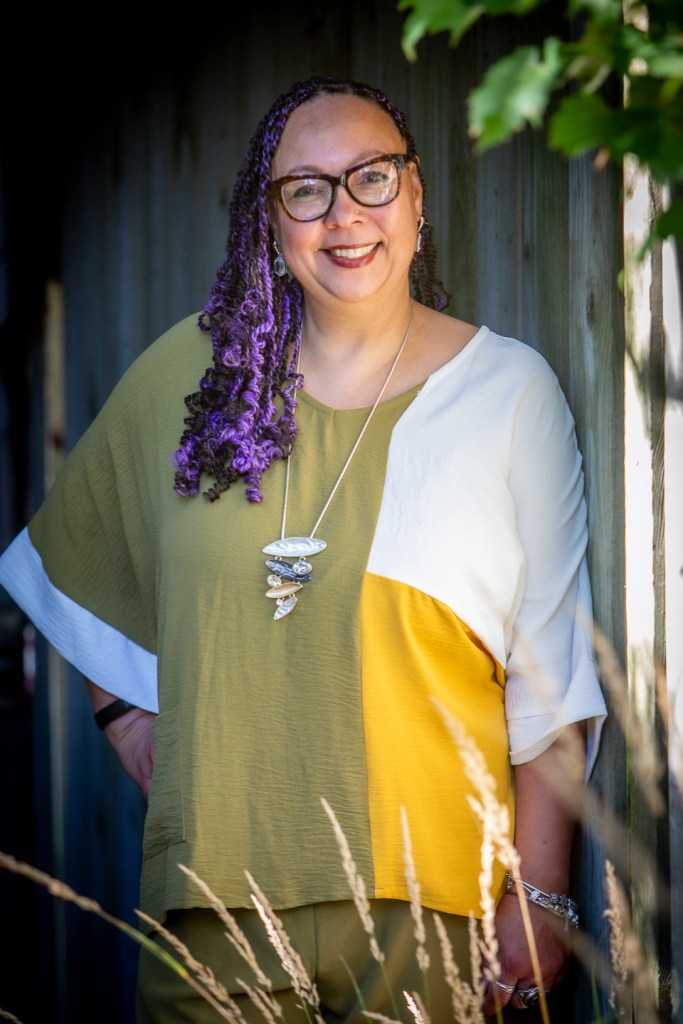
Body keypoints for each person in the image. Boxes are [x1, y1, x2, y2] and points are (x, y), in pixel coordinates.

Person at [0, 76, 607, 1022]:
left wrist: (540, 892)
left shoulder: (507, 392)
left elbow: (550, 671)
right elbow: (78, 561)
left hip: (435, 910)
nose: (343, 214)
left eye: (372, 177)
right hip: (213, 904)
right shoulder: (187, 377)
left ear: (415, 194)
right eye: (306, 189)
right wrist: (124, 718)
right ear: (269, 218)